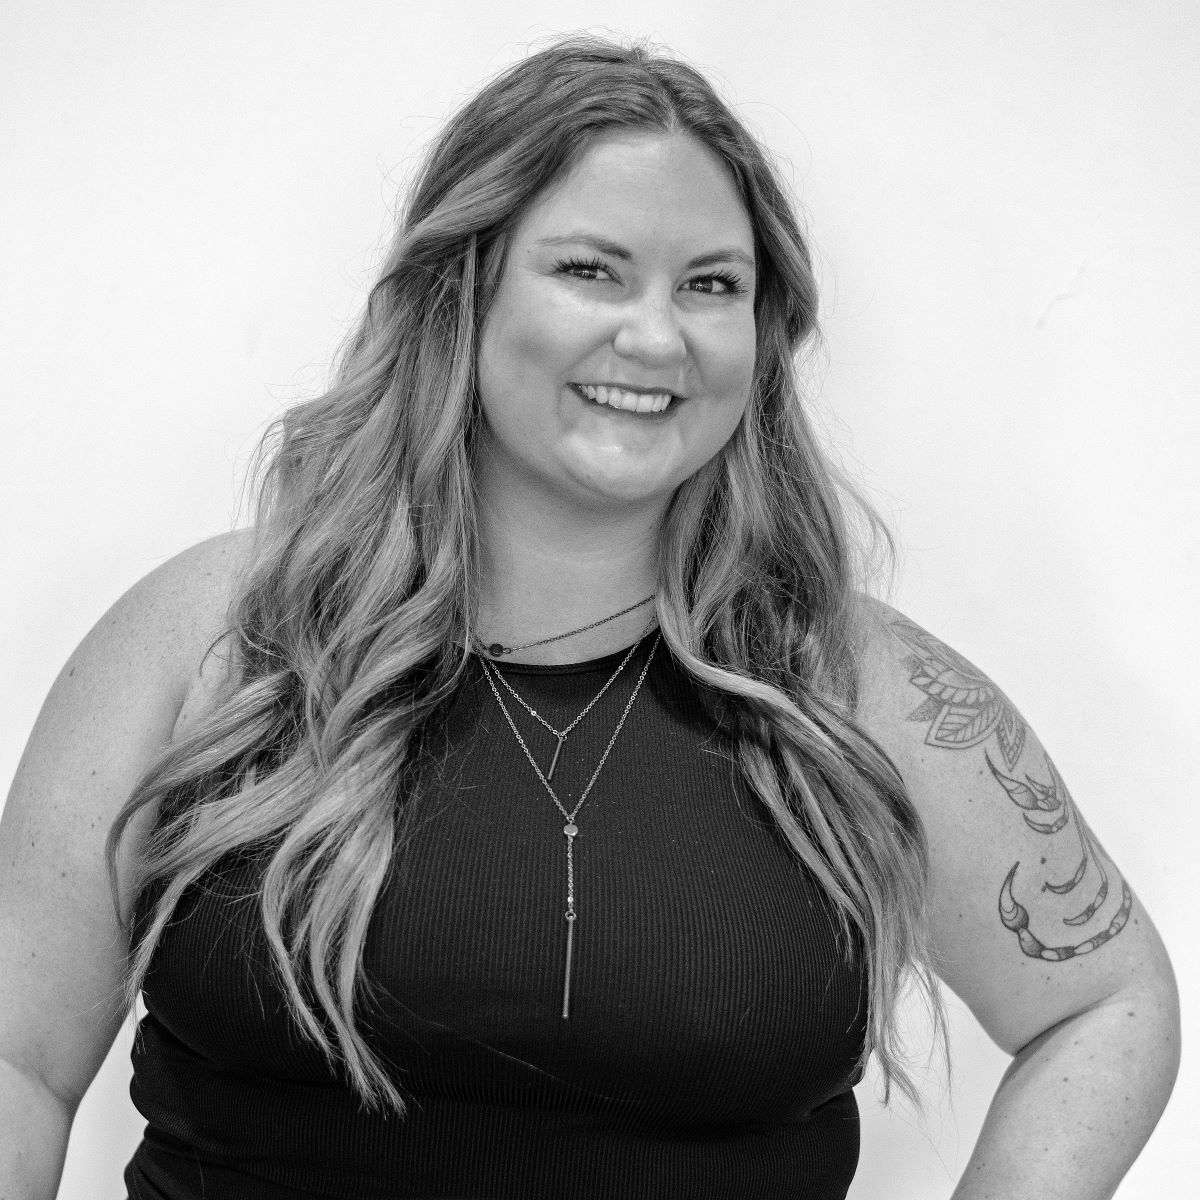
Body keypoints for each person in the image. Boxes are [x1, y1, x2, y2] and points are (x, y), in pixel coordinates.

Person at [0, 34, 1179, 1200]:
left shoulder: (859, 689)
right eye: (592, 271)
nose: (656, 337)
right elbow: (20, 1061)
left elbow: (1106, 1001)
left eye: (711, 285)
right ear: (461, 289)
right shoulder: (211, 638)